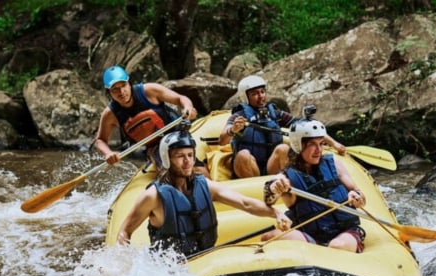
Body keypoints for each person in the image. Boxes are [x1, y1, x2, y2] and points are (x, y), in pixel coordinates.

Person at [116, 130, 292, 255]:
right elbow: (125, 231)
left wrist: (275, 213)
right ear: (167, 159)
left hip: (205, 259)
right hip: (170, 270)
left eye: (190, 155)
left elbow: (245, 203)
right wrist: (121, 263)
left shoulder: (205, 185)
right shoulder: (153, 196)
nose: (187, 162)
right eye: (180, 156)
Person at [261, 119, 367, 253]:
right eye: (312, 144)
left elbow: (360, 196)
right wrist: (274, 188)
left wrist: (357, 197)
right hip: (312, 238)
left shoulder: (333, 162)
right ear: (298, 145)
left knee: (337, 247)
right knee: (268, 237)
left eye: (321, 144)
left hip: (346, 231)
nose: (319, 150)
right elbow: (269, 196)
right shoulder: (286, 177)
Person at [219, 75, 346, 178]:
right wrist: (233, 130)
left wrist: (334, 144)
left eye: (262, 92)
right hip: (247, 166)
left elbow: (308, 127)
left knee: (283, 148)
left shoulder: (275, 114)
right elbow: (222, 140)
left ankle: (286, 182)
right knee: (243, 154)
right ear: (245, 97)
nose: (261, 96)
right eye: (255, 94)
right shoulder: (239, 116)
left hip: (271, 165)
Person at [94, 65, 201, 170]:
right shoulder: (110, 114)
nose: (121, 92)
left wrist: (188, 107)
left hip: (176, 134)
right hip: (153, 148)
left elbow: (180, 98)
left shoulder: (150, 91)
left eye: (123, 85)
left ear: (129, 84)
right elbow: (100, 140)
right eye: (115, 89)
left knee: (192, 165)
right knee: (173, 168)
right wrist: (108, 153)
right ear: (108, 93)